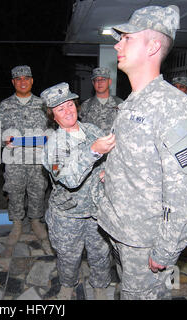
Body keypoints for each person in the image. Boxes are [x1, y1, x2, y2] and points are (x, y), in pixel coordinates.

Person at [98, 5, 187, 300]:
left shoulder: (176, 108)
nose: (117, 44)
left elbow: (186, 192)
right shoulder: (133, 101)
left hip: (145, 242)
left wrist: (167, 249)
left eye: (127, 38)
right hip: (122, 230)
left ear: (153, 46)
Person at [41, 82, 116, 300]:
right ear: (52, 115)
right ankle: (67, 285)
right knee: (68, 256)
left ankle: (100, 287)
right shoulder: (53, 145)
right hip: (68, 214)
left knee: (100, 254)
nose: (67, 111)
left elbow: (111, 158)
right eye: (60, 108)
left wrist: (106, 172)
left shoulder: (93, 130)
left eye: (69, 105)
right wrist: (93, 152)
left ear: (76, 105)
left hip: (96, 210)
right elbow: (69, 178)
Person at [0, 65, 49, 247]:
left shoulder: (43, 105)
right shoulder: (4, 106)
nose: (22, 82)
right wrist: (3, 139)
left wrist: (50, 138)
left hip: (37, 161)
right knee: (14, 191)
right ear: (13, 82)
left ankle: (36, 221)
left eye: (26, 78)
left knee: (38, 191)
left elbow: (54, 130)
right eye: (18, 79)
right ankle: (16, 224)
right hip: (14, 160)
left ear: (32, 81)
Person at [78, 67, 123, 134]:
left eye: (103, 79)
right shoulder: (86, 105)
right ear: (93, 83)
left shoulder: (120, 104)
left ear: (109, 82)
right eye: (96, 80)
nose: (100, 82)